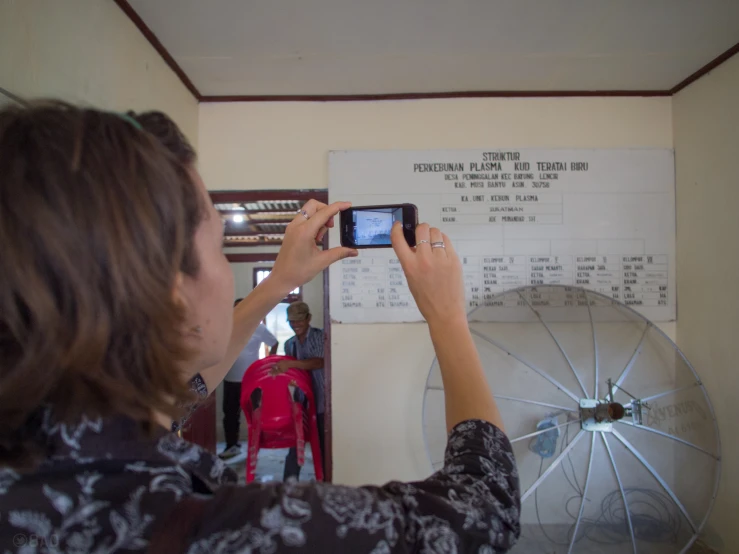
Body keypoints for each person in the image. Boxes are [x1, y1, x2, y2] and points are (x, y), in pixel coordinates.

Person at [0, 102, 520, 552]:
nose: (229, 274)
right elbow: (484, 509)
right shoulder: (219, 525)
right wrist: (448, 317)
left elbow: (182, 394)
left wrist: (275, 283)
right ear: (171, 291)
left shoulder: (40, 460)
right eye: (219, 244)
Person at [269, 302, 326, 480]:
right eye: (292, 321)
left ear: (308, 319)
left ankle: (325, 481)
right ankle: (289, 483)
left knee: (323, 446)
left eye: (299, 321)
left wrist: (291, 364)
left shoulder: (319, 336)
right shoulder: (289, 344)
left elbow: (319, 362)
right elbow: (292, 372)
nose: (295, 325)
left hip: (322, 400)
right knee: (296, 444)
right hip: (302, 402)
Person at [219, 298, 279, 460]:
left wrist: (268, 362)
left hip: (252, 379)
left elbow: (274, 342)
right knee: (230, 414)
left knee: (254, 414)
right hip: (230, 379)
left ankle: (256, 445)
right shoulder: (225, 328)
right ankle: (232, 446)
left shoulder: (258, 328)